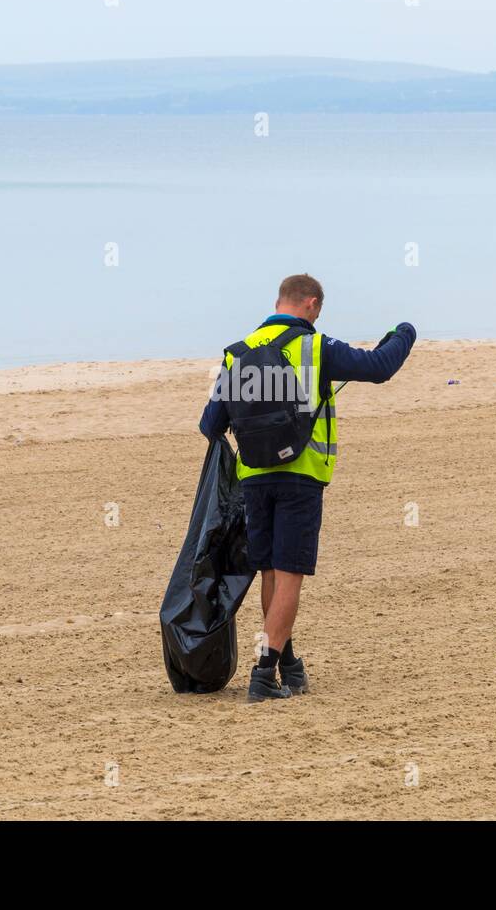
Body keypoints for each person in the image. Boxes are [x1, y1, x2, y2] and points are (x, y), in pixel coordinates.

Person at [199, 274, 416, 701]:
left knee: (271, 571)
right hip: (301, 476)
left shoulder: (237, 354)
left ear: (279, 302)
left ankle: (286, 660)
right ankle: (263, 675)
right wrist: (404, 332)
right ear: (311, 305)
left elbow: (211, 425)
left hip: (254, 479)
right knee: (292, 574)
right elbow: (379, 367)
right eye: (319, 311)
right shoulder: (315, 346)